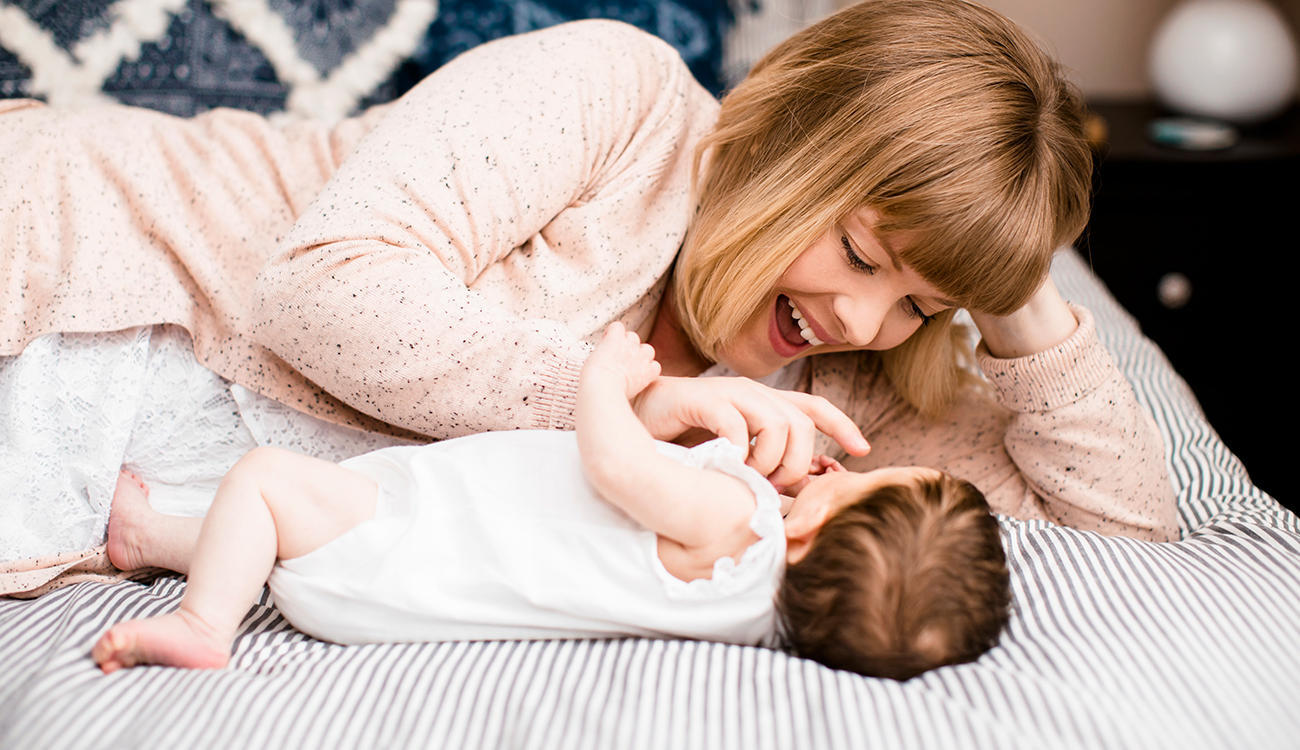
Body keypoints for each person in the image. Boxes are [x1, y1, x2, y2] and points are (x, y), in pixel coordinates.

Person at [1, 0, 1178, 596]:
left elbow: (1120, 542)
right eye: (865, 256)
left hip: (99, 477)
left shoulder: (841, 385)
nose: (867, 320)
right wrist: (625, 399)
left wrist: (1016, 289)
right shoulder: (622, 95)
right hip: (78, 256)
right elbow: (320, 290)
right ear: (786, 139)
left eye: (924, 305)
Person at [92, 323, 1011, 681]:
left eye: (857, 484)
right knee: (281, 531)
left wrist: (605, 381)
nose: (833, 473)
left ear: (809, 533)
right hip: (389, 597)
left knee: (264, 480)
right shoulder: (747, 617)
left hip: (410, 541)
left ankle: (205, 622)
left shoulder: (740, 526)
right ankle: (148, 534)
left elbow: (615, 466)